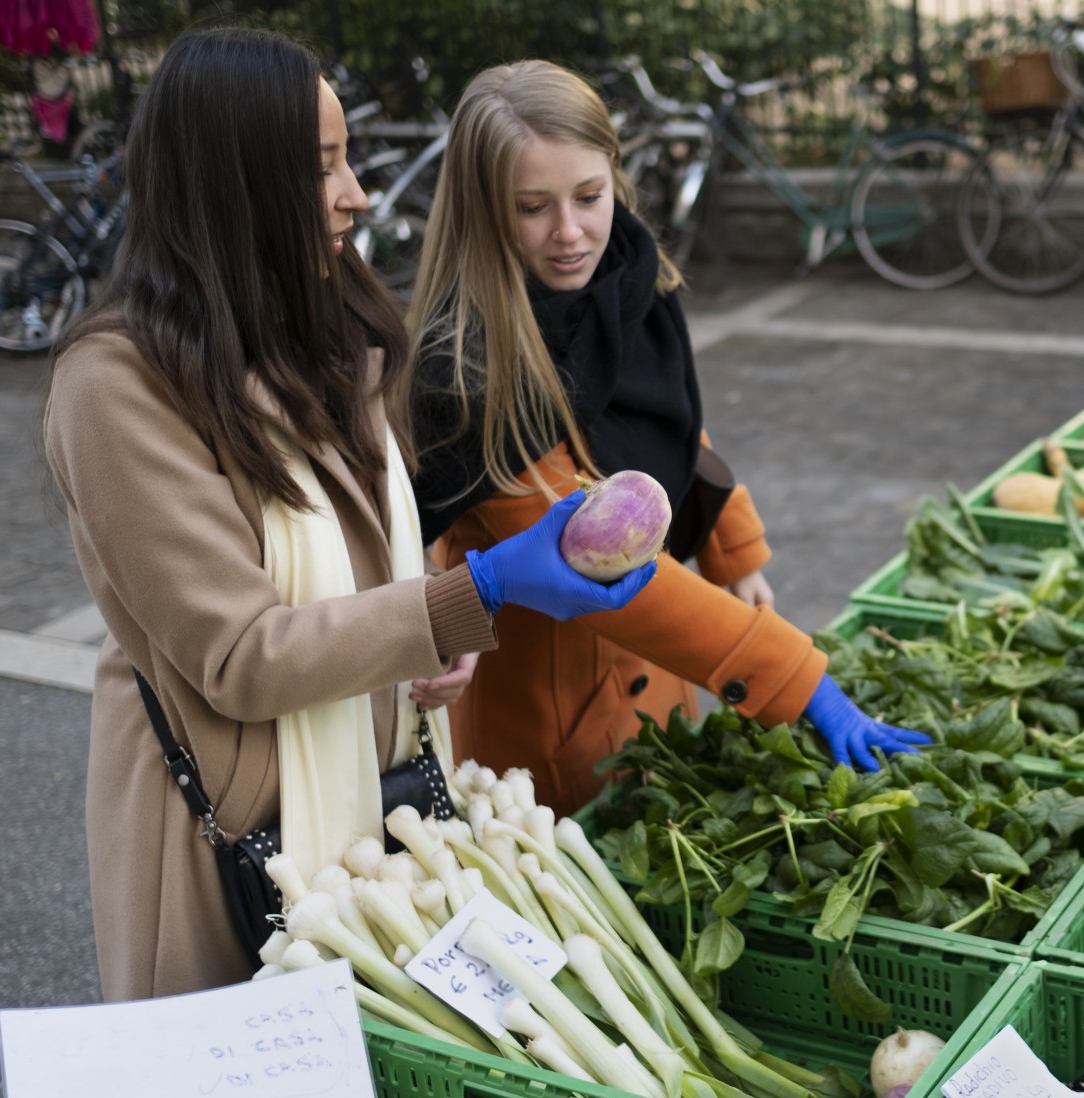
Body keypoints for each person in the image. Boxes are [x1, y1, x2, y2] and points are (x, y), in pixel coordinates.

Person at [42, 30, 652, 1002]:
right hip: (233, 832)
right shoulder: (117, 385)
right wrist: (471, 594)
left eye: (347, 159)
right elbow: (241, 654)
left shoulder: (328, 319)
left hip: (381, 795)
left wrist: (438, 615)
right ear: (236, 184)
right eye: (322, 166)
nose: (356, 194)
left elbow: (368, 537)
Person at [407, 60, 925, 811]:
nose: (570, 233)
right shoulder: (468, 370)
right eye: (532, 208)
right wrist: (796, 678)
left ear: (615, 177)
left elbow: (672, 422)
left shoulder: (627, 278)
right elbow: (594, 555)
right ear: (482, 212)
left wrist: (730, 541)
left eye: (590, 196)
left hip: (663, 685)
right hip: (556, 725)